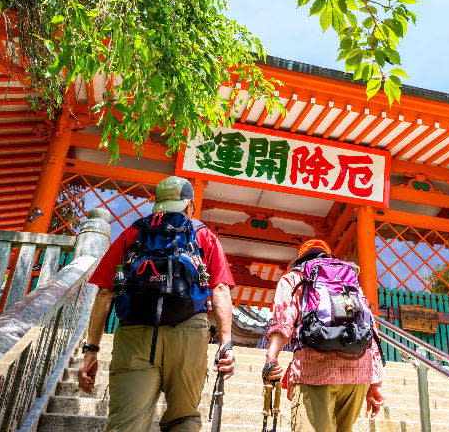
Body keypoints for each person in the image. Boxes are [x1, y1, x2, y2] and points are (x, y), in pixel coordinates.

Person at [78, 176, 236, 432]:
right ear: (189, 205)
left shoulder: (133, 233)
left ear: (158, 203)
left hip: (135, 335)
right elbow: (219, 288)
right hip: (188, 333)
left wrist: (92, 349)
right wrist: (226, 343)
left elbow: (105, 293)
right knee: (183, 418)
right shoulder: (203, 235)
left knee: (125, 424)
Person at [263, 239, 385, 432]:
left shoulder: (294, 278)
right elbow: (370, 329)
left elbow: (283, 320)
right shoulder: (350, 282)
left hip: (314, 369)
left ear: (300, 258)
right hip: (358, 373)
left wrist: (271, 357)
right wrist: (376, 381)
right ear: (329, 257)